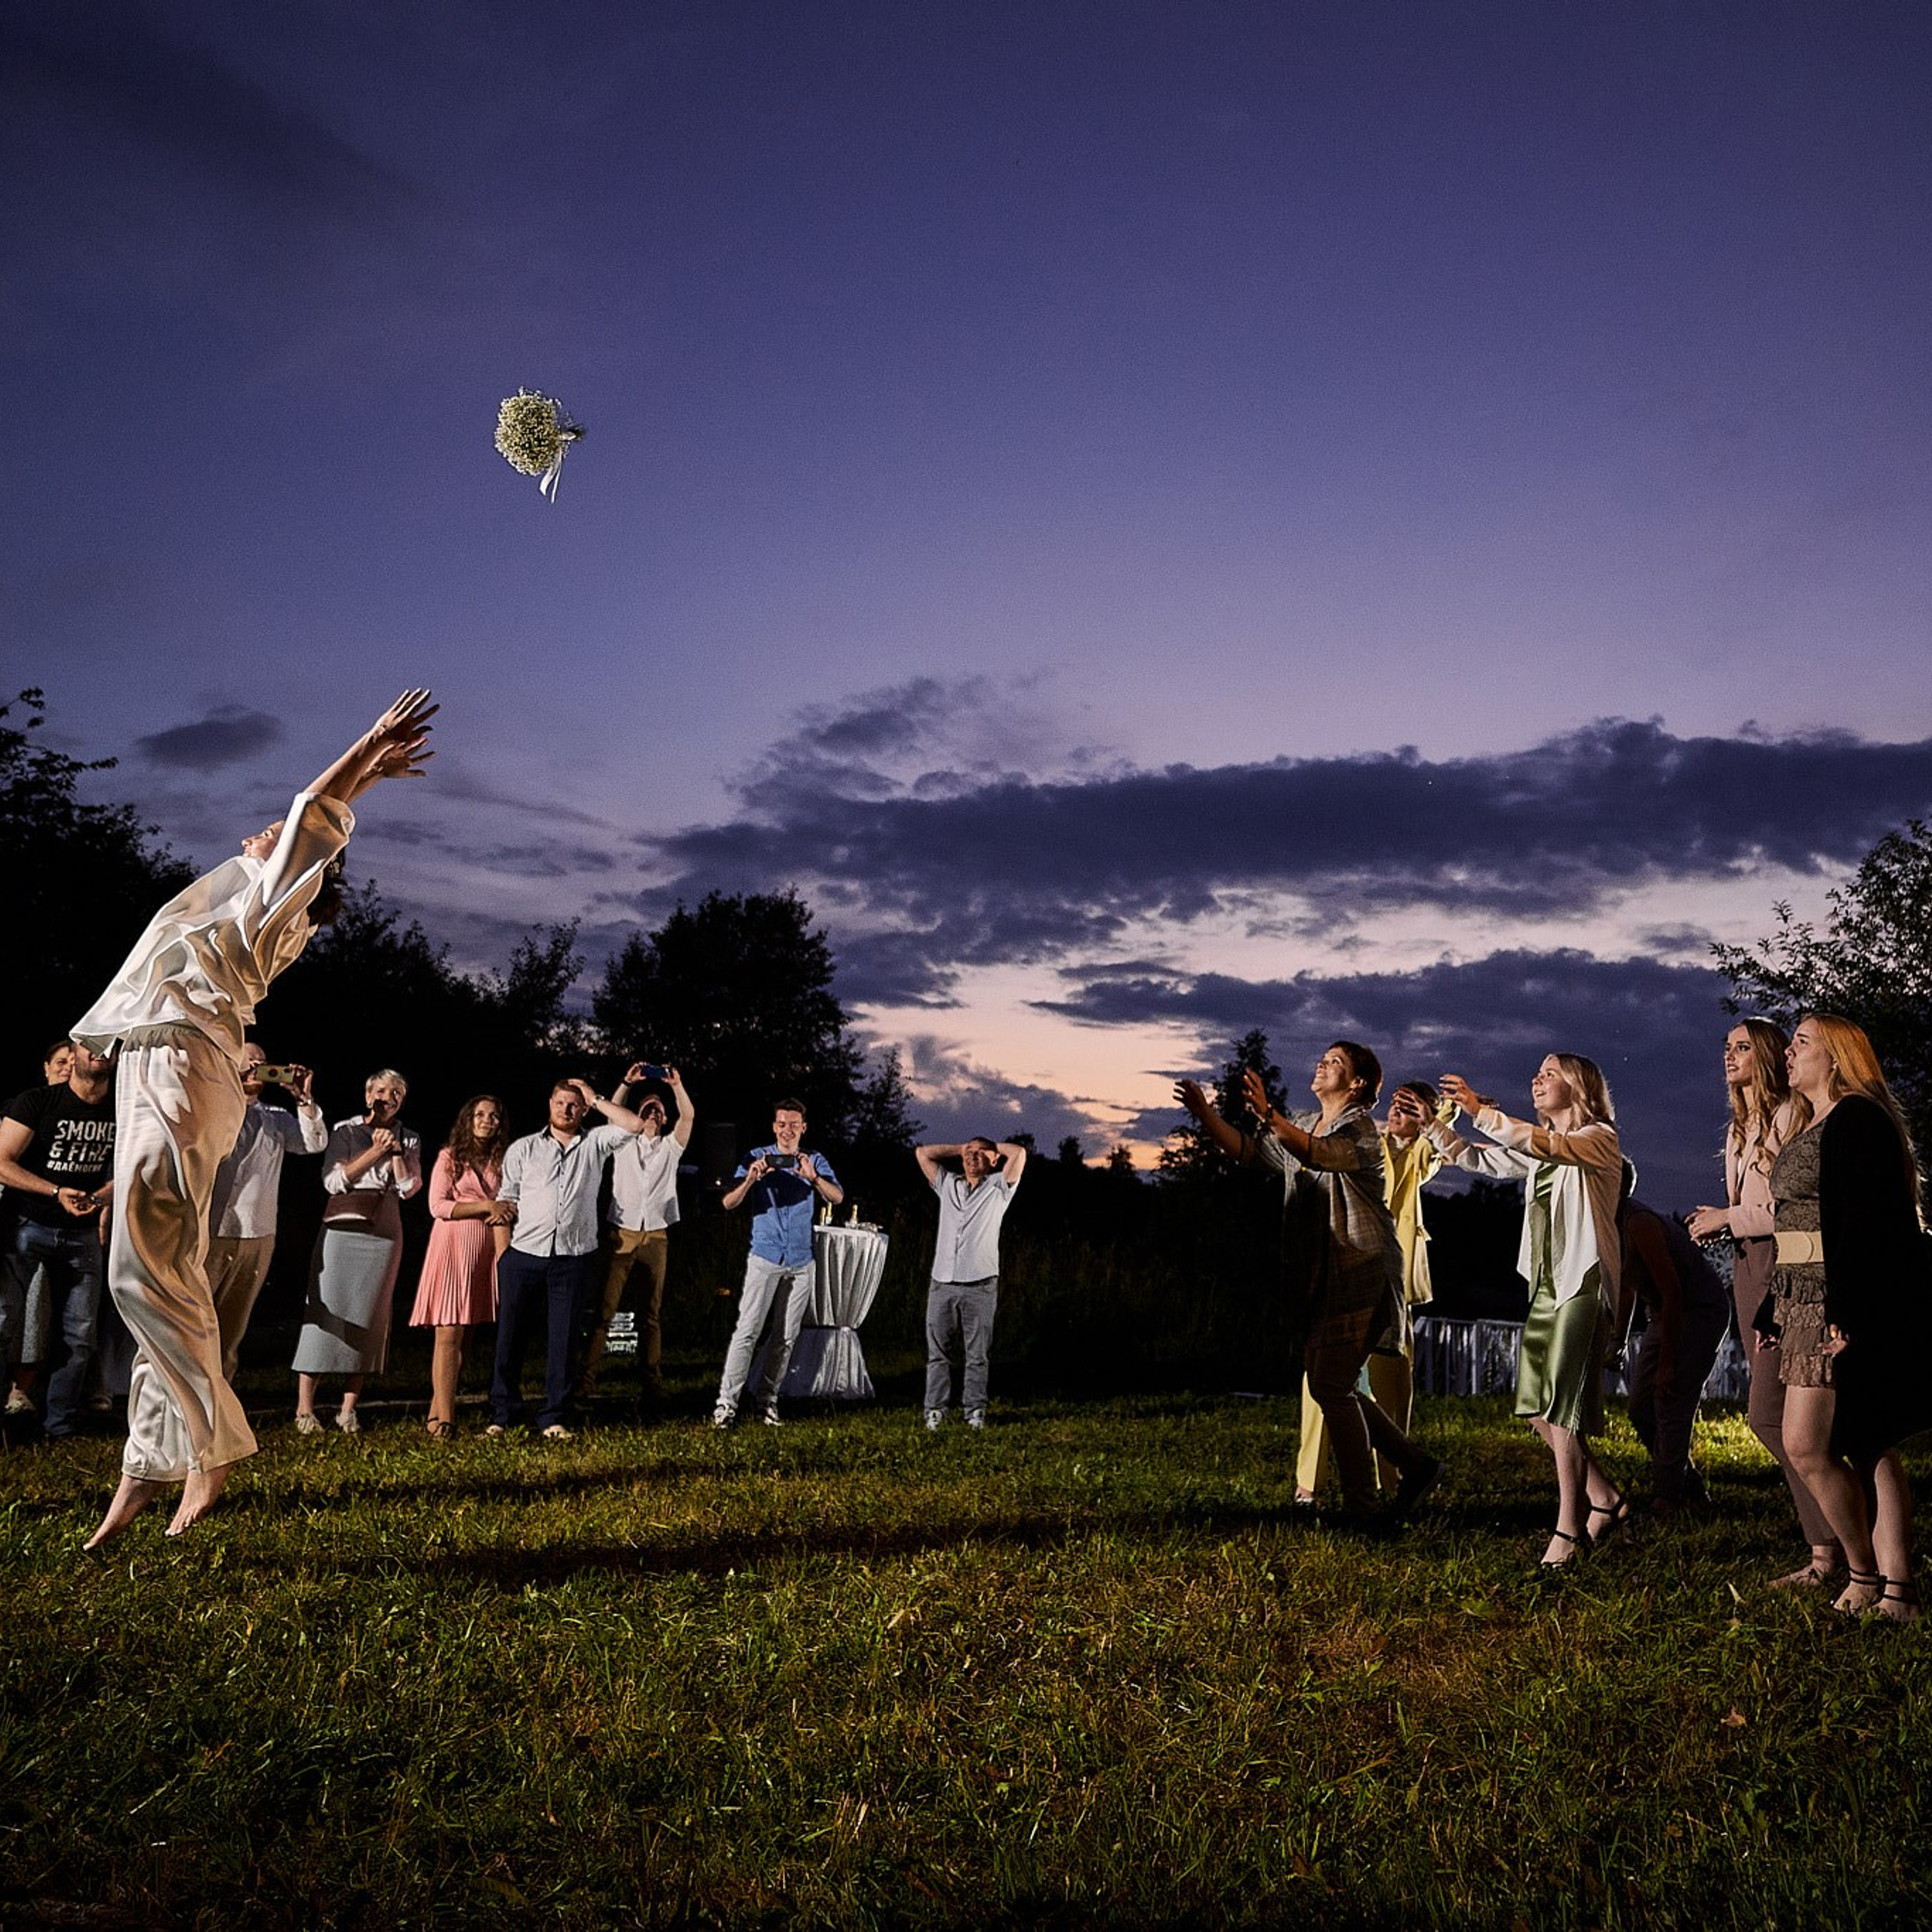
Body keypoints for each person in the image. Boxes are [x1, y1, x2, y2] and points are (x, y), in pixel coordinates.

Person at [72, 689, 436, 1548]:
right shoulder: (243, 895)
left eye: (278, 837)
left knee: (138, 1270)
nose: (262, 831)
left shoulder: (274, 901)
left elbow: (313, 808)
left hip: (183, 1062)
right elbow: (310, 819)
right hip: (159, 1062)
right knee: (163, 1271)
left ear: (306, 872)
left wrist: (367, 750)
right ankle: (149, 1461)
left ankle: (215, 1443)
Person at [1178, 1043, 1445, 1521]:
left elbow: (1320, 1155)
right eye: (1323, 1058)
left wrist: (1269, 1115)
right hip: (1322, 1275)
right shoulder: (1304, 1122)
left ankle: (1364, 1508)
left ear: (1357, 1084)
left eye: (1335, 1061)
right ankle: (1417, 1466)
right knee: (1330, 1385)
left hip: (1362, 1271)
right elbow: (1248, 1151)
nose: (1322, 1064)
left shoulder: (1362, 1130)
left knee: (1333, 1387)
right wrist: (1204, 1113)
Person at [1757, 1014, 1930, 1621]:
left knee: (1815, 1443)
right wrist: (1772, 1304)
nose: (1789, 1051)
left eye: (1802, 1042)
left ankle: (1872, 1577)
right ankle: (1892, 1587)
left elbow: (1866, 1222)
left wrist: (1847, 1310)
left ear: (1836, 1057)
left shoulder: (1856, 1118)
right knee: (1860, 1440)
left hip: (1838, 1298)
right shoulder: (1815, 1121)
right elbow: (1798, 1222)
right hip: (1803, 1295)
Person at [1433, 1057, 1624, 1567]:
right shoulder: (1543, 1148)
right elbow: (1482, 1161)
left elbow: (1548, 1145)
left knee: (1561, 1406)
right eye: (1536, 1072)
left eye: (1550, 1073)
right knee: (1537, 1408)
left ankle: (1569, 1528)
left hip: (1583, 1281)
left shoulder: (1599, 1139)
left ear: (1579, 1085)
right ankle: (1606, 1498)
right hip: (1546, 1283)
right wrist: (1433, 1127)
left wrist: (1480, 1111)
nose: (1537, 1079)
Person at [1686, 1020, 1841, 1586]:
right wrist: (1725, 1222)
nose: (1730, 1056)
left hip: (1787, 1263)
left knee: (1769, 1414)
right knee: (1776, 1415)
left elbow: (1794, 1208)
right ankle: (1828, 1546)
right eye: (1726, 1047)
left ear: (1769, 1054)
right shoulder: (1739, 1126)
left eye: (1743, 1047)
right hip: (1749, 1266)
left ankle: (1836, 1542)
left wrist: (1727, 1217)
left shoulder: (1790, 1115)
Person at [1294, 1080, 1443, 1502]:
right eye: (1395, 1103)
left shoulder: (1421, 1154)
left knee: (1388, 1387)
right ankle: (1310, 1485)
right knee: (1324, 1383)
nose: (1396, 1112)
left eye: (1409, 1108)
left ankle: (1394, 1481)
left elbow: (1437, 1149)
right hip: (1347, 1278)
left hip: (1391, 1288)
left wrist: (1439, 1115)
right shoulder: (1367, 1143)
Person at [490, 1077, 651, 1440]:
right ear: (550, 1104)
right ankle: (503, 1414)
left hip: (573, 1257)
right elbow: (506, 1200)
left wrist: (595, 1097)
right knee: (510, 1337)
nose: (566, 1109)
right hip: (524, 1254)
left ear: (583, 1110)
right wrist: (504, 1256)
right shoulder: (524, 1148)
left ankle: (554, 1418)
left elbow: (634, 1125)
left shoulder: (595, 1142)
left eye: (574, 1104)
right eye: (560, 1102)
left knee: (564, 1340)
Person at [291, 1070, 423, 1434]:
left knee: (370, 1315)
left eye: (396, 1092)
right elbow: (333, 1181)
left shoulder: (409, 1137)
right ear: (368, 1097)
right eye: (380, 1090)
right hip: (344, 1224)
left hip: (384, 1228)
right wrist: (375, 1151)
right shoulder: (345, 1130)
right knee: (325, 1309)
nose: (387, 1097)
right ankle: (305, 1408)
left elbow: (409, 1187)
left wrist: (394, 1151)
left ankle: (348, 1409)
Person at [0, 1044, 117, 1439]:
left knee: (80, 1335)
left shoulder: (122, 1107)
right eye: (90, 1045)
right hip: (27, 1224)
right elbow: (2, 1161)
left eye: (109, 1046)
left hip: (81, 1233)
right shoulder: (38, 1102)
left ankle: (60, 1426)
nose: (100, 1052)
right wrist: (55, 1191)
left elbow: (132, 1167)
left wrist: (98, 1198)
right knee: (4, 1322)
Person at [711, 1100, 844, 1429]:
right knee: (747, 1331)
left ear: (803, 1128)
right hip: (765, 1257)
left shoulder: (813, 1160)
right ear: (774, 1126)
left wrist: (813, 1178)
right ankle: (726, 1405)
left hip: (801, 1260)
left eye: (794, 1124)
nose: (787, 1130)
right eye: (782, 1124)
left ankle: (767, 1402)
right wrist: (751, 1179)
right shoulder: (756, 1156)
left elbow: (837, 1197)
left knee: (785, 1337)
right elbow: (728, 1203)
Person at [204, 1044, 328, 1380]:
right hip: (211, 1230)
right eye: (249, 1063)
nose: (255, 1069)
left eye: (261, 1064)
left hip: (256, 1233)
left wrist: (304, 1099)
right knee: (196, 1317)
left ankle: (221, 1391)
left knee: (234, 1322)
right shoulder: (211, 1109)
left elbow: (313, 1143)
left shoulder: (275, 1117)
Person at [577, 1064, 695, 1406]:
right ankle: (584, 1383)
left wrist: (676, 1086)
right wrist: (626, 1083)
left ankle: (651, 1384)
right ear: (638, 1116)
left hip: (655, 1235)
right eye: (647, 1109)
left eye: (658, 1110)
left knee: (651, 1315)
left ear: (664, 1118)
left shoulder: (671, 1147)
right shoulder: (623, 1143)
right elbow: (613, 1113)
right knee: (604, 1312)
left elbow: (688, 1116)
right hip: (622, 1232)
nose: (653, 1113)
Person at [1620, 1166, 1730, 1513]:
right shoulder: (1606, 1223)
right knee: (1641, 1409)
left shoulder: (1639, 1222)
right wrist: (1617, 1340)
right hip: (1662, 1313)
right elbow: (1627, 1285)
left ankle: (1668, 1498)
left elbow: (1673, 1292)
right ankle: (1689, 1488)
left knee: (1671, 1400)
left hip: (1696, 1310)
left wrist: (1667, 1364)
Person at [407, 1094, 512, 1439]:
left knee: (467, 1335)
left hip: (483, 1251)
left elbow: (509, 1201)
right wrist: (486, 1206)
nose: (486, 1121)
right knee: (448, 1333)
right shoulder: (450, 1157)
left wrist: (502, 1211)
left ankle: (437, 1413)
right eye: (480, 1114)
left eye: (493, 1116)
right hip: (452, 1248)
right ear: (468, 1120)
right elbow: (438, 1206)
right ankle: (447, 1421)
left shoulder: (503, 1160)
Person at [916, 1136, 1029, 1430]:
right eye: (970, 1153)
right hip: (943, 1281)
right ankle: (935, 1411)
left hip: (980, 1284)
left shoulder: (999, 1187)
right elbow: (922, 1153)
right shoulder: (947, 1184)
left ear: (994, 1160)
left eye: (981, 1153)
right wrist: (960, 1148)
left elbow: (1019, 1153)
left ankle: (975, 1411)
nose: (973, 1156)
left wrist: (992, 1148)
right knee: (938, 1353)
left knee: (977, 1354)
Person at [5, 1040, 80, 1424]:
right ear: (46, 1067)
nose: (67, 1068)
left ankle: (26, 1394)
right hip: (23, 1224)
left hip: (68, 1229)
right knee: (9, 1314)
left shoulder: (94, 1111)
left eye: (72, 1062)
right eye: (60, 1062)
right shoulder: (28, 1106)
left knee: (42, 1316)